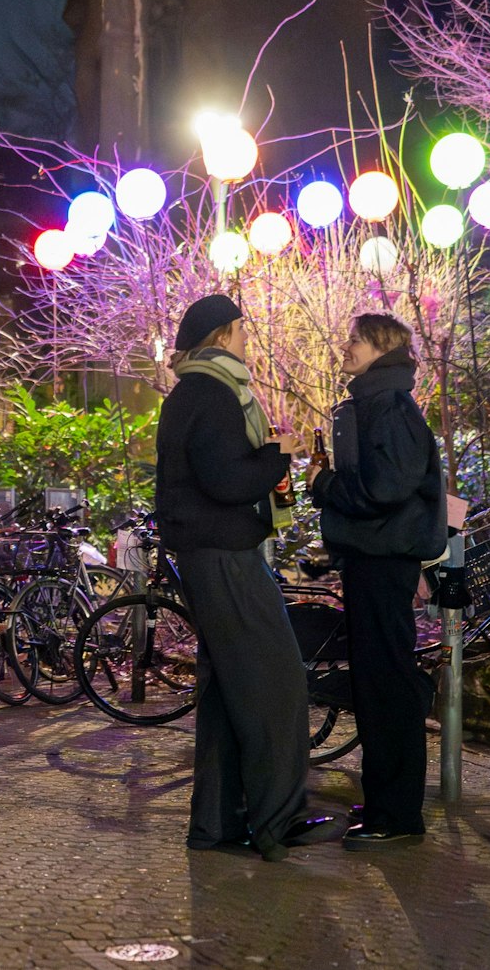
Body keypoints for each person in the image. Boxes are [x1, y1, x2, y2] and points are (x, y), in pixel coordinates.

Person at [154, 294, 329, 863]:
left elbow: (217, 470)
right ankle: (280, 821)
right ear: (225, 335)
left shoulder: (193, 391)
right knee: (276, 683)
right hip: (225, 553)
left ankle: (217, 825)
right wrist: (277, 457)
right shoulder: (212, 391)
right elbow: (226, 480)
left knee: (228, 693)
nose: (246, 341)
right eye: (242, 332)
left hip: (209, 552)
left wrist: (266, 457)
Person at [307, 313, 445, 848]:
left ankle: (398, 815)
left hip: (383, 563)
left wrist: (326, 485)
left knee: (385, 686)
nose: (347, 346)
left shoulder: (389, 407)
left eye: (356, 340)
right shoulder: (378, 403)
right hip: (375, 560)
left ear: (379, 348)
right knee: (378, 685)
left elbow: (386, 487)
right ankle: (387, 804)